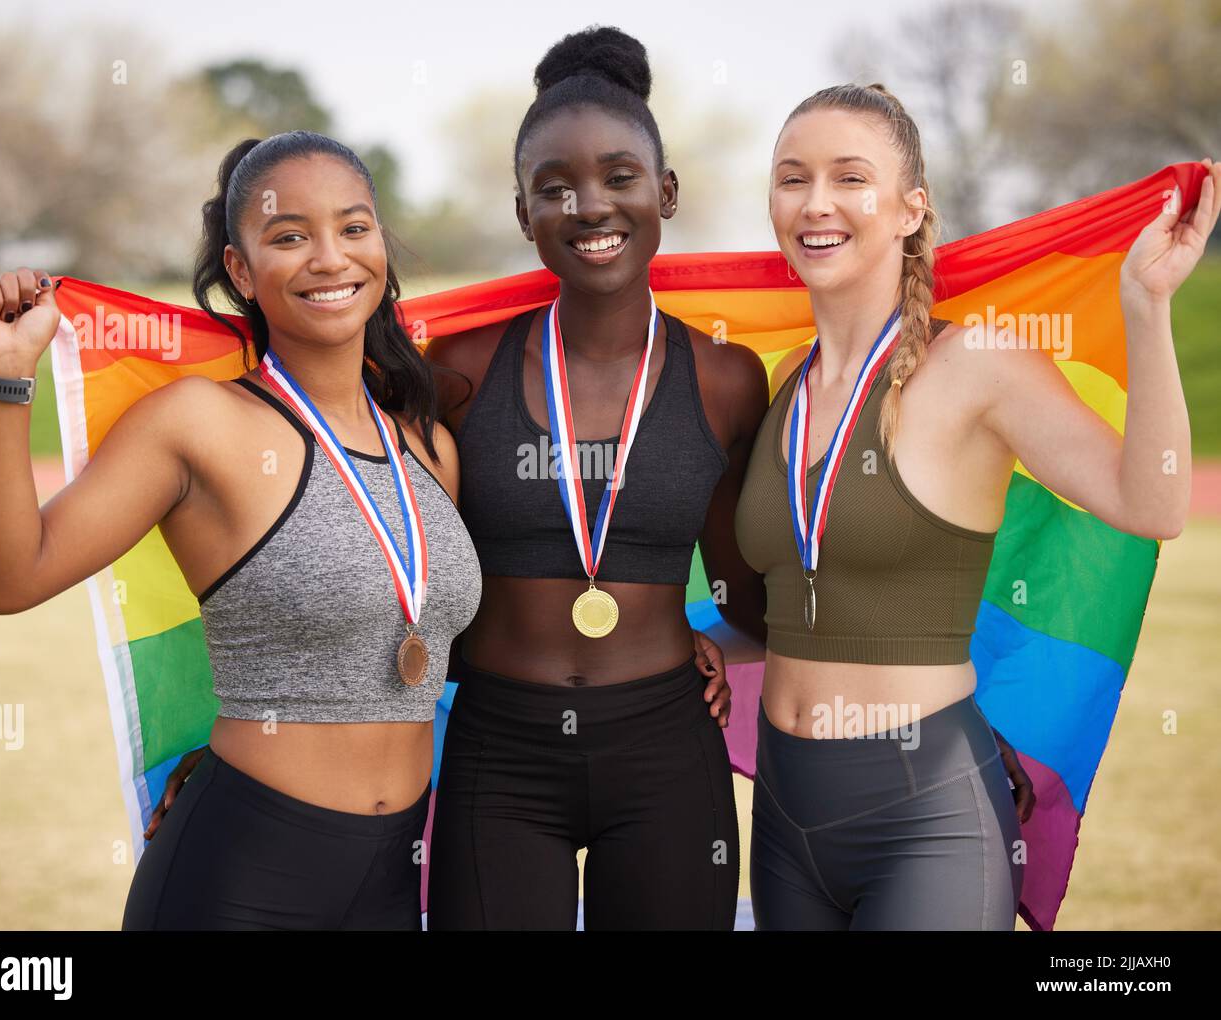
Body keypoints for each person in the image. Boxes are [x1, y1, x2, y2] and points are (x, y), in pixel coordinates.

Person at [0, 130, 482, 930]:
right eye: (288, 236)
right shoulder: (197, 424)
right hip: (244, 870)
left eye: (353, 227)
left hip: (397, 870)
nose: (330, 258)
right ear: (241, 271)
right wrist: (4, 375)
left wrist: (677, 638)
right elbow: (9, 578)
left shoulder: (429, 446)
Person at [734, 83, 1217, 929]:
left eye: (851, 178)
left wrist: (1146, 309)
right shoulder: (783, 385)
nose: (816, 203)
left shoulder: (978, 367)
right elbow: (792, 601)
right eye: (792, 178)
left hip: (927, 821)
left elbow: (1154, 502)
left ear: (910, 209)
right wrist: (691, 645)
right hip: (783, 818)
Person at [421, 25, 770, 930]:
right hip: (498, 754)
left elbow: (746, 596)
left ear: (667, 191)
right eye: (554, 187)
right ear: (521, 210)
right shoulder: (456, 371)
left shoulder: (727, 381)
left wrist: (699, 639)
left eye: (620, 177)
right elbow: (410, 581)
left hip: (667, 747)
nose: (589, 206)